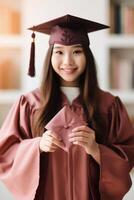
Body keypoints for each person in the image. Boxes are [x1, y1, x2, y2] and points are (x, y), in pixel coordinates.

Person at [0, 14, 134, 200]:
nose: (68, 62)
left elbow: (128, 155)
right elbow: (6, 153)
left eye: (77, 52)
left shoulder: (109, 105)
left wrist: (96, 149)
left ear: (87, 56)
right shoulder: (29, 103)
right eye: (59, 52)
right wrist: (36, 146)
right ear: (50, 56)